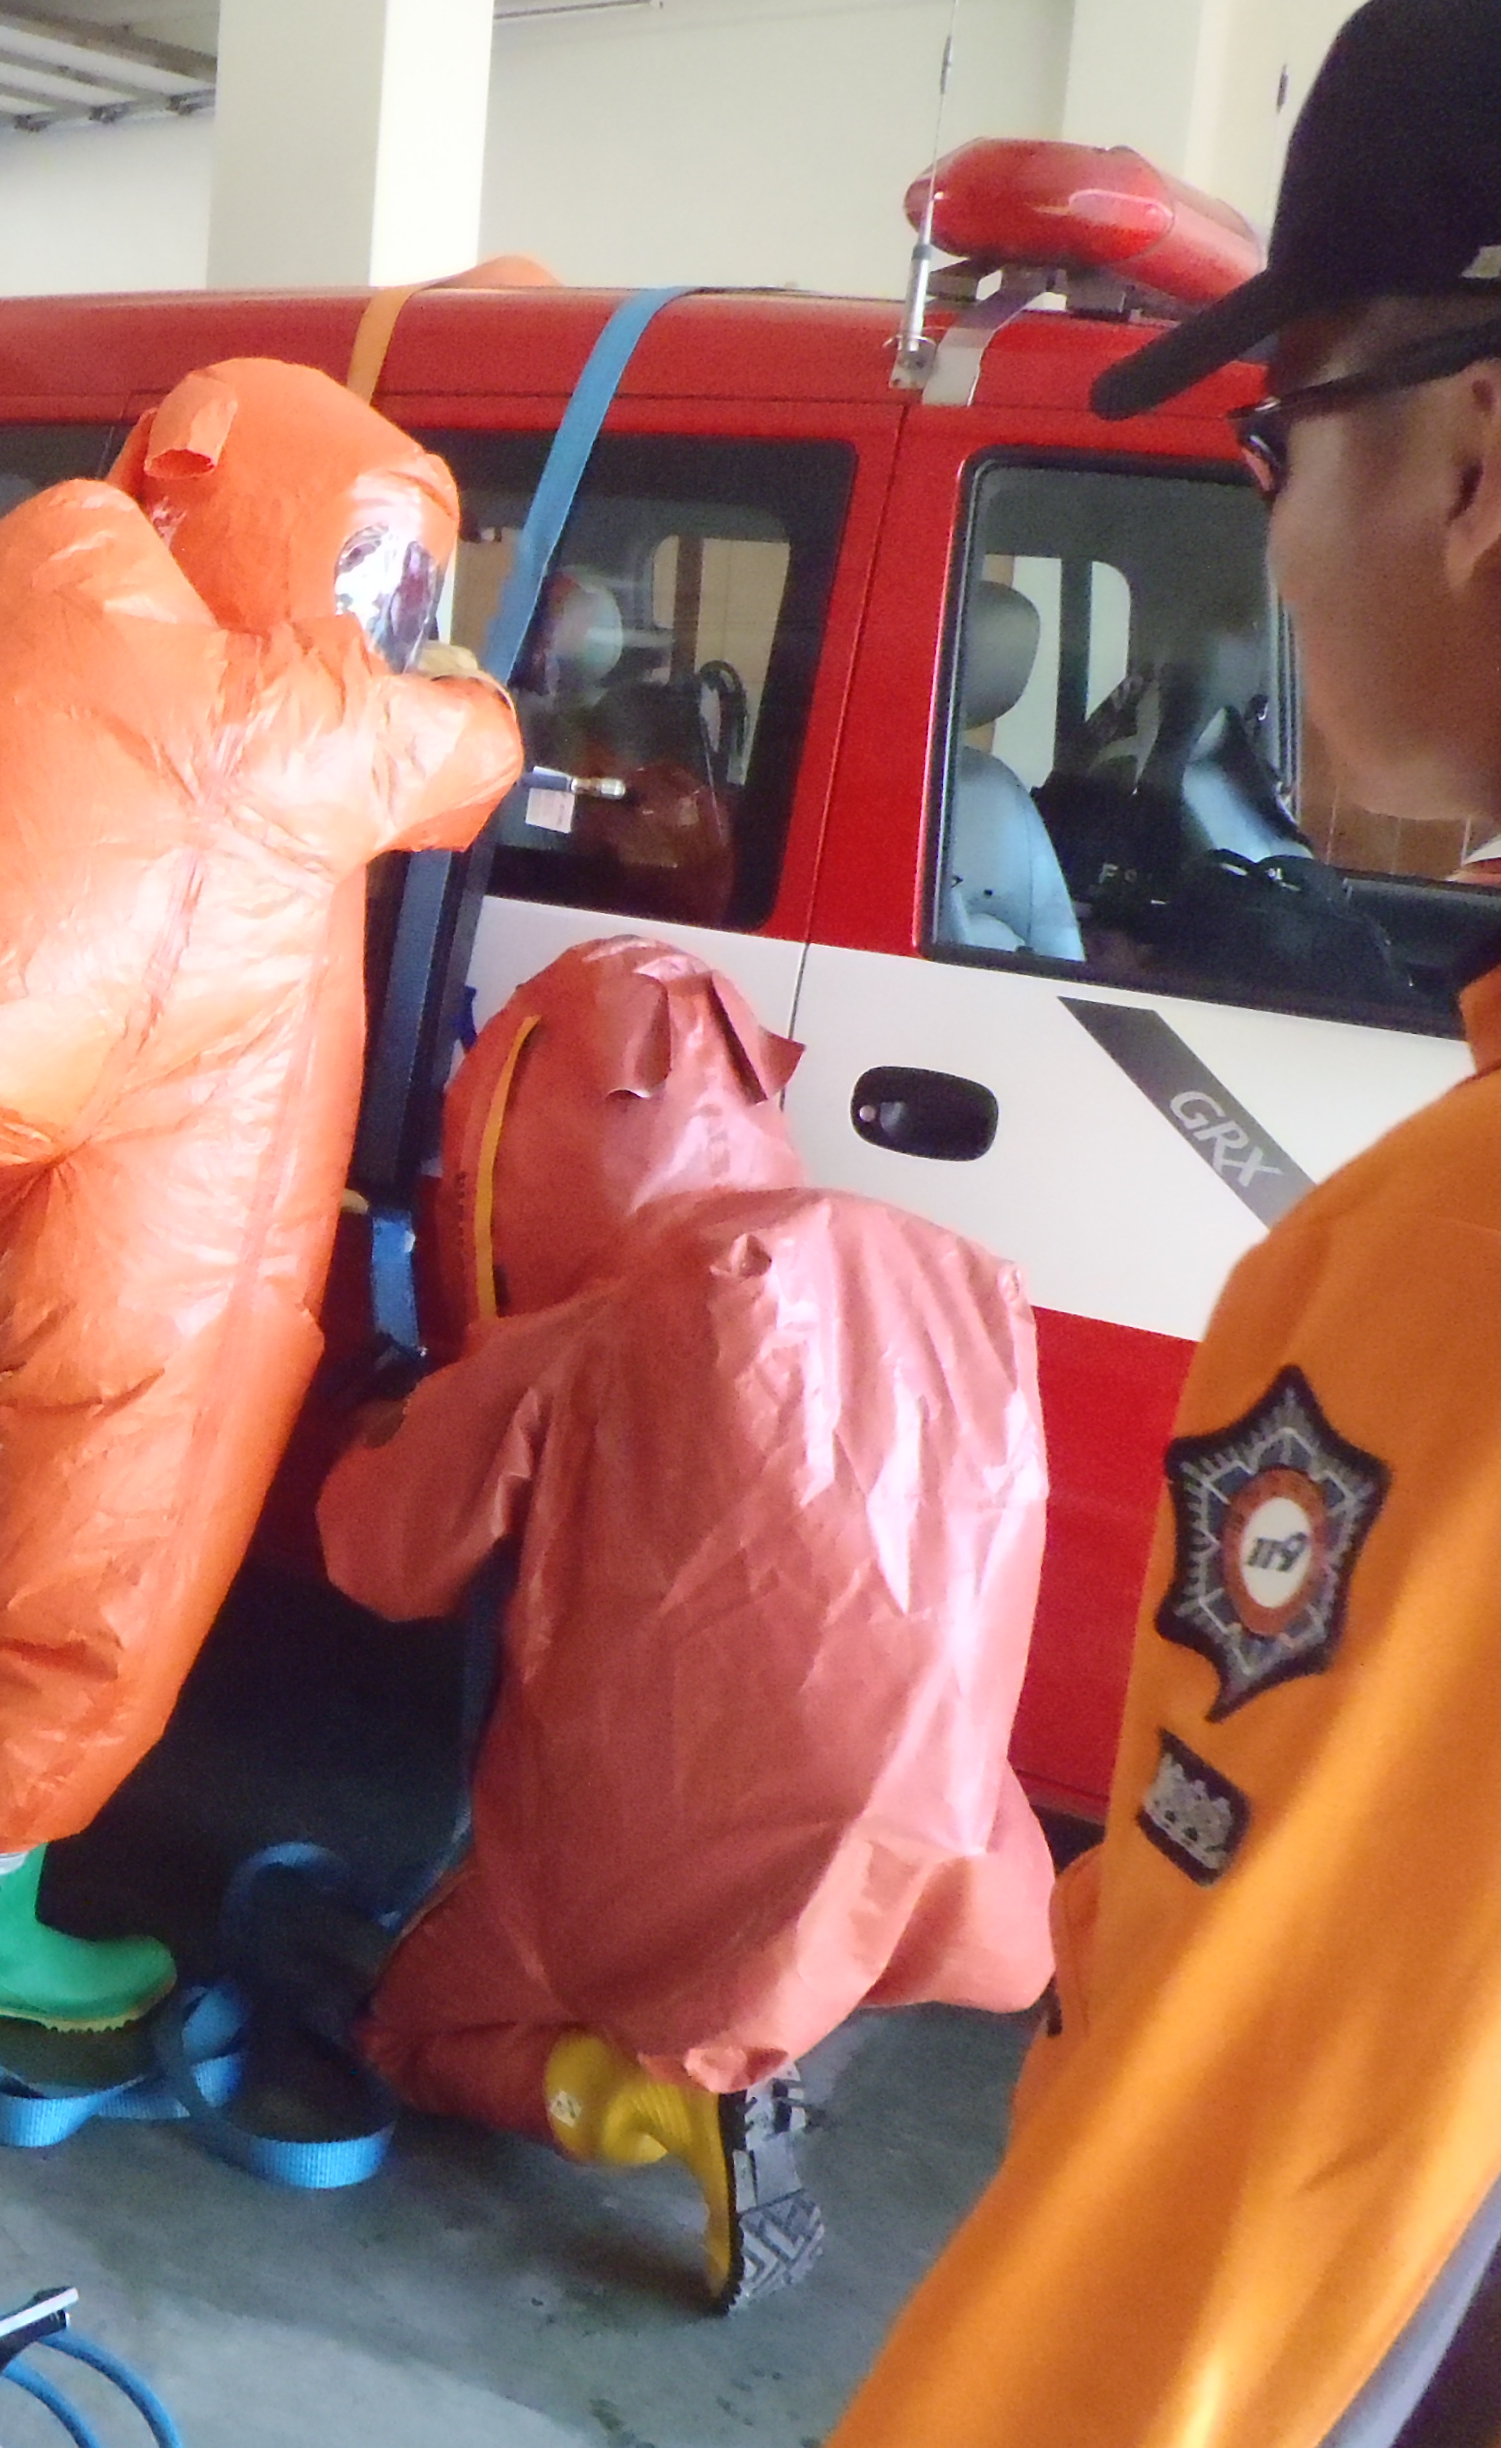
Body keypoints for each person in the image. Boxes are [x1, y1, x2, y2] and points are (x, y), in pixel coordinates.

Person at [829, 0, 1501, 2436]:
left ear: (1475, 457)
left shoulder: (1435, 1283)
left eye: (1271, 434)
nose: (1272, 539)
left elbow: (1215, 2241)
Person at [0, 359, 526, 2034]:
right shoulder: (263, 720)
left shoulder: (27, 645)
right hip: (151, 1232)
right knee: (85, 1572)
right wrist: (450, 668)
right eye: (372, 566)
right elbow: (470, 754)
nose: (381, 609)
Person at [316, 937, 1055, 2313]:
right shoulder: (952, 1276)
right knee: (777, 1911)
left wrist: (386, 1424)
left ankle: (649, 2098)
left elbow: (383, 1560)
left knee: (411, 2027)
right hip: (957, 1848)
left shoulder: (595, 1326)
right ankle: (749, 2031)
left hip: (670, 1858)